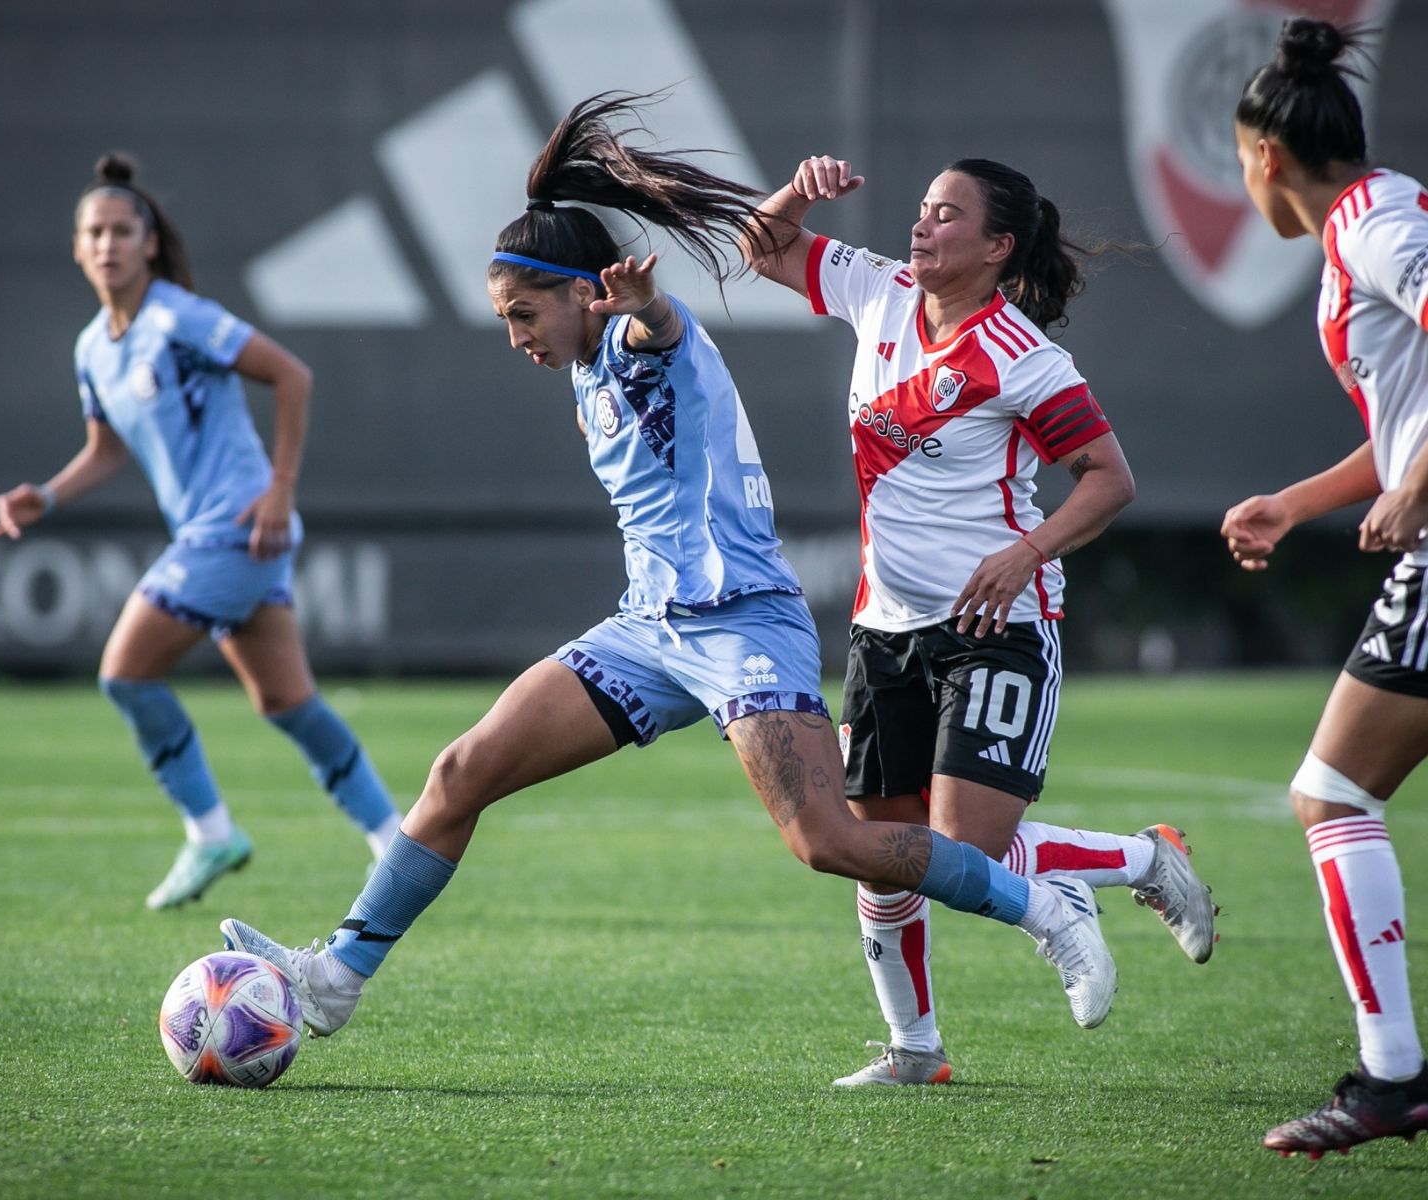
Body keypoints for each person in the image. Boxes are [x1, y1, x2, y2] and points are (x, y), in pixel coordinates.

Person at [219, 94, 1120, 1047]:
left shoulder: (631, 337)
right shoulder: (579, 366)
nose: (517, 334)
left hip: (742, 623)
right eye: (503, 318)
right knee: (461, 769)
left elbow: (660, 334)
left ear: (583, 293)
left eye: (525, 312)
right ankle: (334, 980)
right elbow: (748, 261)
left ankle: (1048, 912)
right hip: (651, 628)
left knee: (828, 844)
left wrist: (645, 305)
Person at [740, 154, 1218, 1086]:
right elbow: (758, 246)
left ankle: (1141, 861)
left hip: (996, 625)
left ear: (998, 247)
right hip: (885, 630)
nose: (921, 227)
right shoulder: (876, 291)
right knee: (882, 857)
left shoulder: (1025, 359)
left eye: (947, 216)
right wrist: (797, 192)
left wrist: (1027, 551)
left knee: (963, 853)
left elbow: (1109, 480)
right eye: (921, 209)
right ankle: (916, 1051)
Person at [0, 152, 400, 910]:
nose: (109, 243)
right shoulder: (93, 348)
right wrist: (44, 497)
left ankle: (210, 831)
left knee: (125, 673)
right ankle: (396, 846)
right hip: (224, 538)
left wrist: (280, 488)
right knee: (288, 703)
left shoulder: (178, 317)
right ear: (77, 248)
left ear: (149, 243)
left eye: (122, 230)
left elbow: (292, 375)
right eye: (95, 232)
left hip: (237, 528)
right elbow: (108, 448)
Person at [1220, 18, 1428, 1159]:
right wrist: (1302, 502)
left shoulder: (1376, 225)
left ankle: (1392, 1082)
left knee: (1332, 794)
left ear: (1264, 160)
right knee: (1334, 794)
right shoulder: (1374, 217)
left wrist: (1418, 493)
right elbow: (1403, 427)